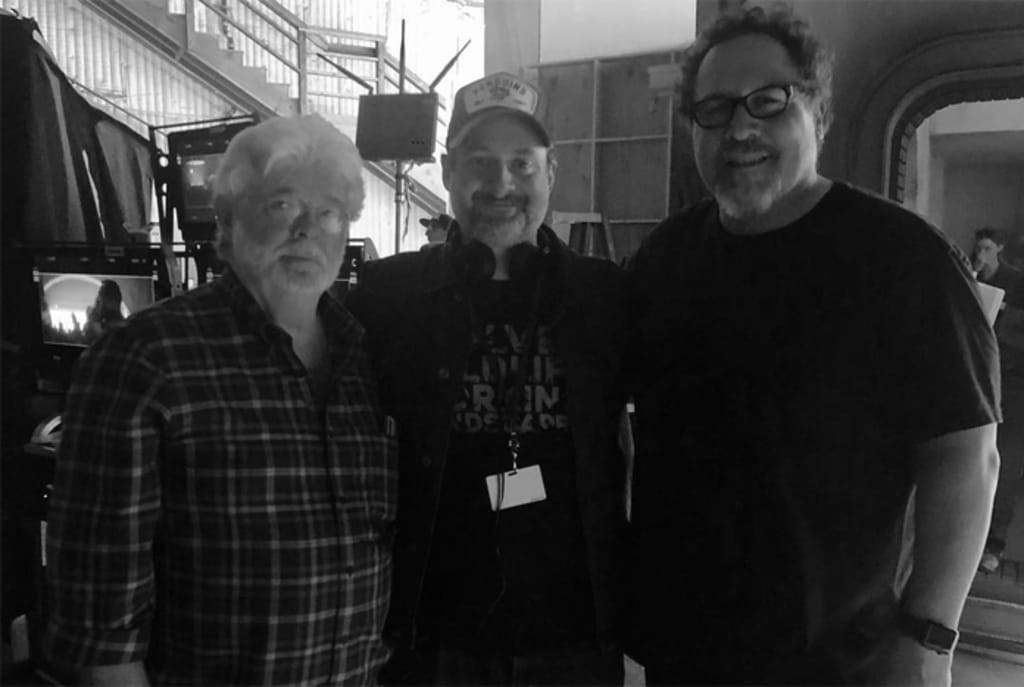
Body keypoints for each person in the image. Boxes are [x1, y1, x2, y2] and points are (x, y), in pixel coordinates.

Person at [625, 5, 1000, 686]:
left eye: (768, 101)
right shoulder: (665, 259)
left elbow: (967, 458)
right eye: (714, 109)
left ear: (817, 114)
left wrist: (929, 638)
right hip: (684, 651)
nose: (740, 127)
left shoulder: (905, 261)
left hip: (840, 659)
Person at [43, 114, 397, 685]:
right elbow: (100, 633)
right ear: (227, 221)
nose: (307, 230)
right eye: (282, 205)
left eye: (329, 212)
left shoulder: (368, 357)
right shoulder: (144, 359)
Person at [347, 72, 628, 686]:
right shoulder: (388, 297)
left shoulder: (603, 298)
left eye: (522, 164)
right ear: (448, 172)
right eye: (480, 162)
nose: (501, 184)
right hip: (433, 637)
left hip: (574, 633)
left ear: (551, 174)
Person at [972, 227, 1024, 572]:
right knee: (988, 460)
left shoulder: (1016, 282)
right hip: (995, 376)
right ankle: (983, 543)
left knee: (1003, 462)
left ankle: (991, 543)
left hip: (1012, 381)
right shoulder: (1003, 279)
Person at [83, 278, 126, 343]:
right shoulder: (104, 326)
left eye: (99, 300)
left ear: (113, 302)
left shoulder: (122, 332)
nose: (96, 305)